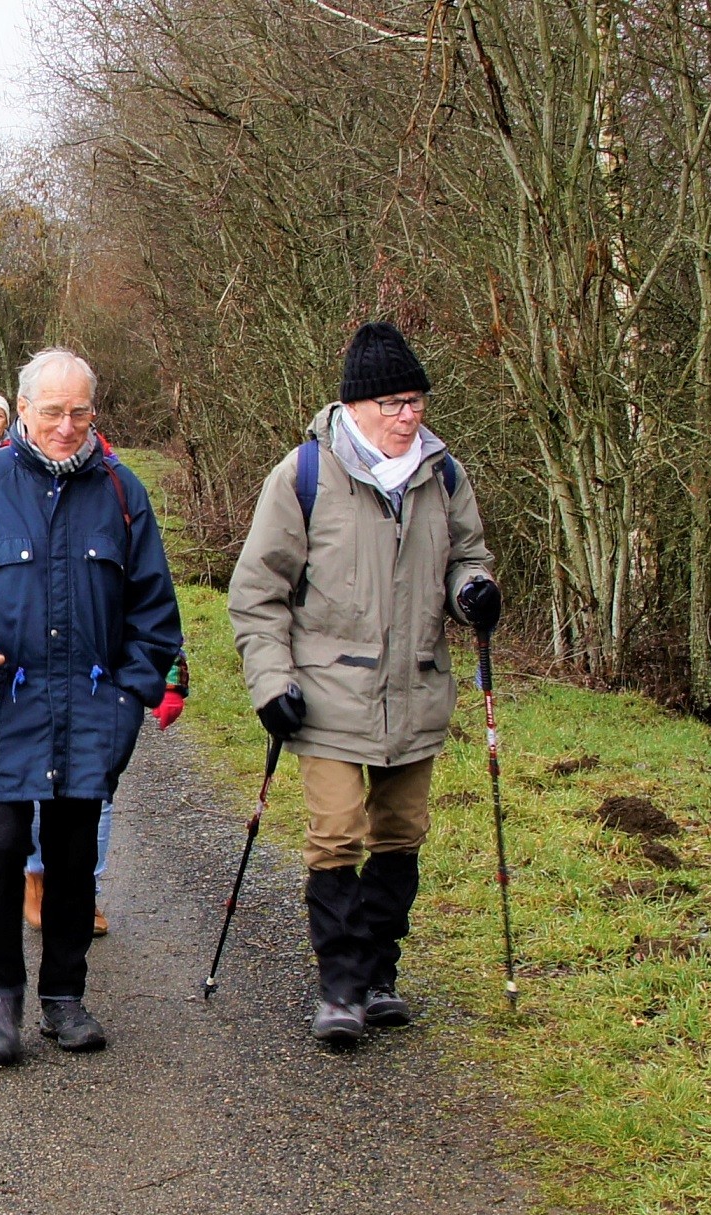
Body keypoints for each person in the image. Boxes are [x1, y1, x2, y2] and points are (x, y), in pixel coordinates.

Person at [0, 348, 182, 1065]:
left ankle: (64, 995)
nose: (66, 426)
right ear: (21, 411)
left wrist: (126, 696)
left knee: (75, 855)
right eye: (51, 411)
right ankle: (0, 997)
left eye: (80, 412)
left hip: (89, 711)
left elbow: (155, 613)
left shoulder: (122, 493)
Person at [227, 321, 498, 1045]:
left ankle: (381, 975)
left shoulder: (443, 473)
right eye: (395, 403)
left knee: (402, 835)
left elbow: (468, 554)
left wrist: (473, 591)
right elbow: (258, 592)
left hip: (417, 690)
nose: (410, 416)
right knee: (337, 835)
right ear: (357, 407)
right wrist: (270, 683)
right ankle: (340, 986)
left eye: (417, 401)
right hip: (327, 696)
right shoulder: (305, 475)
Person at [24, 649, 188, 936]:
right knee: (40, 778)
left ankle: (83, 892)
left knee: (95, 786)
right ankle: (36, 875)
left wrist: (170, 680)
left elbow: (154, 611)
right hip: (33, 675)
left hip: (100, 677)